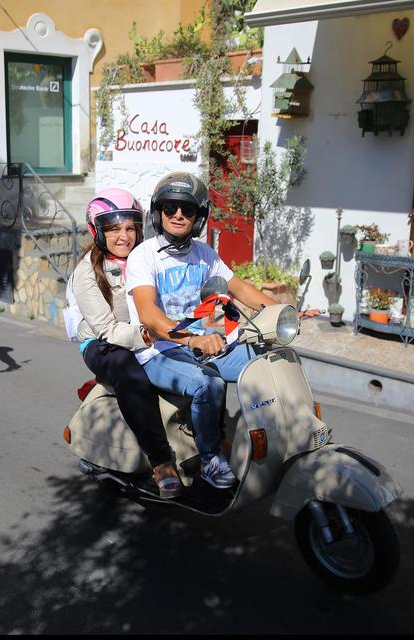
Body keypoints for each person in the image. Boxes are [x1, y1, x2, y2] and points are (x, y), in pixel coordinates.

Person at [126, 172, 319, 490]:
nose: (178, 214)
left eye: (187, 209)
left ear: (198, 217)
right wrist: (193, 338)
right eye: (170, 207)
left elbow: (240, 288)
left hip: (201, 344)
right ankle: (211, 459)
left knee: (264, 360)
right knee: (207, 383)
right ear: (159, 212)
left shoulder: (204, 254)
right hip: (157, 351)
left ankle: (289, 428)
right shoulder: (143, 256)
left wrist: (283, 312)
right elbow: (149, 315)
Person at [70, 188, 182, 498]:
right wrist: (148, 335)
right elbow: (106, 328)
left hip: (151, 332)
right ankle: (161, 461)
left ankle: (211, 444)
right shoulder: (86, 272)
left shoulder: (146, 257)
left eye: (130, 228)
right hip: (103, 343)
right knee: (129, 371)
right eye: (114, 229)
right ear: (97, 231)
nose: (124, 236)